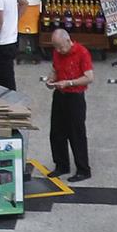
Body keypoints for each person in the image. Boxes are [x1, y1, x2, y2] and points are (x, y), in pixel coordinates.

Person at [45, 27, 94, 182]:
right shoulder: (58, 52)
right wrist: (51, 79)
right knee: (56, 132)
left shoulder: (82, 52)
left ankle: (83, 169)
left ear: (68, 40)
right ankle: (61, 164)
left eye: (61, 46)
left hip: (75, 96)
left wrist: (70, 82)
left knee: (76, 133)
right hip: (60, 94)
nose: (59, 50)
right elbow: (54, 68)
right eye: (56, 47)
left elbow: (89, 77)